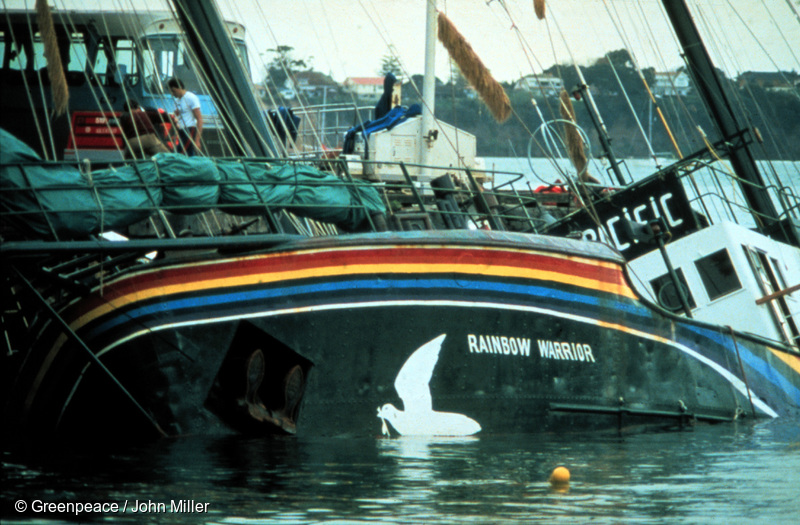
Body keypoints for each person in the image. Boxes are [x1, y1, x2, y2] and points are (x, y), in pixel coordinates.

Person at [167, 77, 203, 156]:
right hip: (181, 130)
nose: (173, 94)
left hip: (189, 129)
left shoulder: (191, 98)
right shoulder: (176, 101)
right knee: (188, 154)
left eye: (174, 91)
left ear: (179, 87)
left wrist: (197, 140)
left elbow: (199, 119)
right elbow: (176, 116)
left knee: (181, 153)